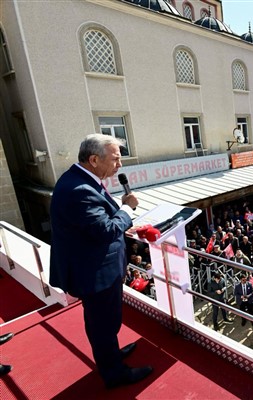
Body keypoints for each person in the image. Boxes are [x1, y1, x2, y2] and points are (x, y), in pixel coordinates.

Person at [49, 134, 152, 388]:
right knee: (102, 324)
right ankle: (115, 374)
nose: (120, 165)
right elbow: (105, 230)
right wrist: (127, 209)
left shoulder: (83, 179)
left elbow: (94, 222)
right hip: (94, 273)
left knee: (106, 322)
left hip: (98, 267)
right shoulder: (79, 190)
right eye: (115, 159)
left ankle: (111, 355)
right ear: (94, 159)